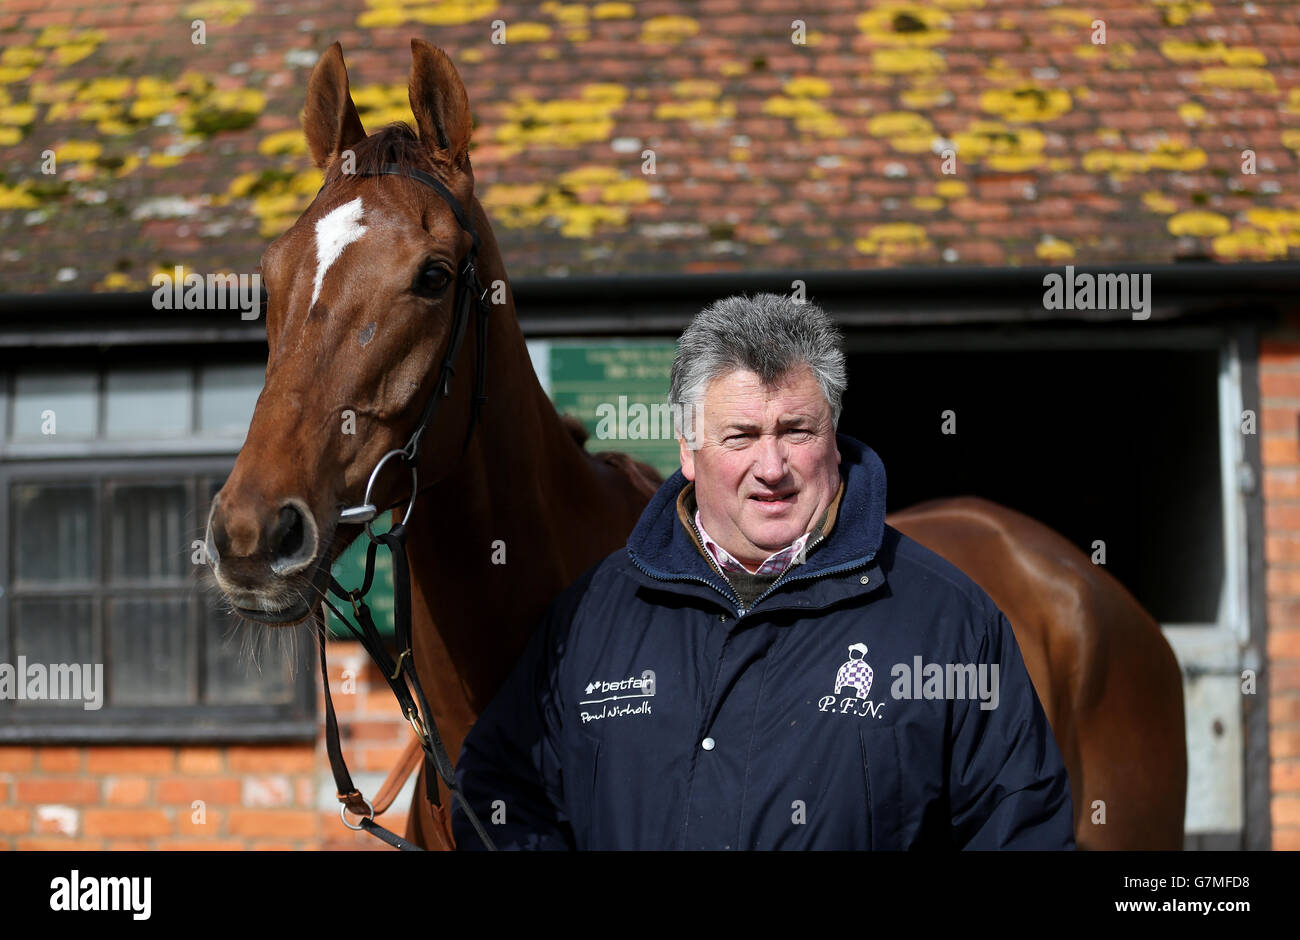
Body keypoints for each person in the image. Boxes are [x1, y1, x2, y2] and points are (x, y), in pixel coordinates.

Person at [451, 292, 1074, 850]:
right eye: (740, 436)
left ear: (833, 438)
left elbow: (1022, 829)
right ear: (688, 452)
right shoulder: (593, 615)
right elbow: (500, 793)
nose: (771, 466)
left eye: (796, 431)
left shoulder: (950, 623)